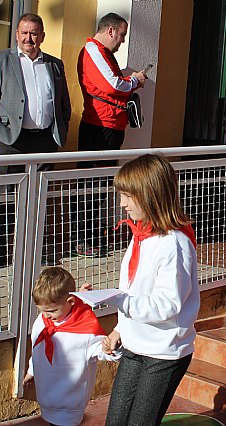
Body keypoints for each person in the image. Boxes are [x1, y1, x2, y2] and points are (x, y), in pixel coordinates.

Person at [101, 155, 199, 426]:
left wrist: (117, 300)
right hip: (136, 344)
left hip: (163, 352)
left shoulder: (173, 244)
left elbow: (167, 305)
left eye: (127, 196)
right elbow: (134, 290)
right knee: (116, 421)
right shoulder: (141, 236)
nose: (122, 204)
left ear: (150, 194)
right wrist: (120, 329)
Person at [0, 13, 71, 267]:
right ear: (17, 34)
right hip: (11, 141)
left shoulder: (54, 64)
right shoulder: (0, 61)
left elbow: (63, 104)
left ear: (42, 36)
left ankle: (30, 253)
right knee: (6, 199)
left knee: (37, 201)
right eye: (24, 33)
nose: (29, 38)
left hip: (44, 142)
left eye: (34, 33)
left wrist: (60, 130)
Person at [74, 12, 147, 257]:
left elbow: (113, 83)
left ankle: (91, 234)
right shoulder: (93, 50)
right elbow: (113, 85)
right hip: (99, 126)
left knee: (102, 184)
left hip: (110, 126)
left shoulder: (103, 54)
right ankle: (83, 237)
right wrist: (134, 81)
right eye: (122, 35)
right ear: (111, 31)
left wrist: (130, 81)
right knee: (91, 184)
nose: (123, 41)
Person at [23, 267, 119, 426]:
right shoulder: (42, 320)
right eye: (42, 310)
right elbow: (37, 349)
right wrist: (31, 371)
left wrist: (110, 349)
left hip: (68, 405)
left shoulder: (86, 331)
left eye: (52, 311)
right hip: (46, 398)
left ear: (70, 302)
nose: (46, 315)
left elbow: (103, 352)